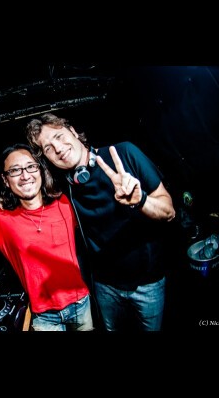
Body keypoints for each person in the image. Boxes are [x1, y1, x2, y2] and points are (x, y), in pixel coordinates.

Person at [25, 113, 176, 332]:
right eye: (48, 148)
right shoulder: (63, 187)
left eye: (59, 136)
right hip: (105, 287)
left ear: (73, 131)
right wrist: (3, 202)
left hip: (148, 284)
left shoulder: (124, 154)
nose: (57, 148)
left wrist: (140, 200)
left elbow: (169, 211)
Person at [0, 143, 93, 331]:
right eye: (15, 170)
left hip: (81, 304)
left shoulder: (64, 202)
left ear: (40, 171)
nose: (25, 175)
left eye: (31, 166)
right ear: (5, 180)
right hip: (44, 317)